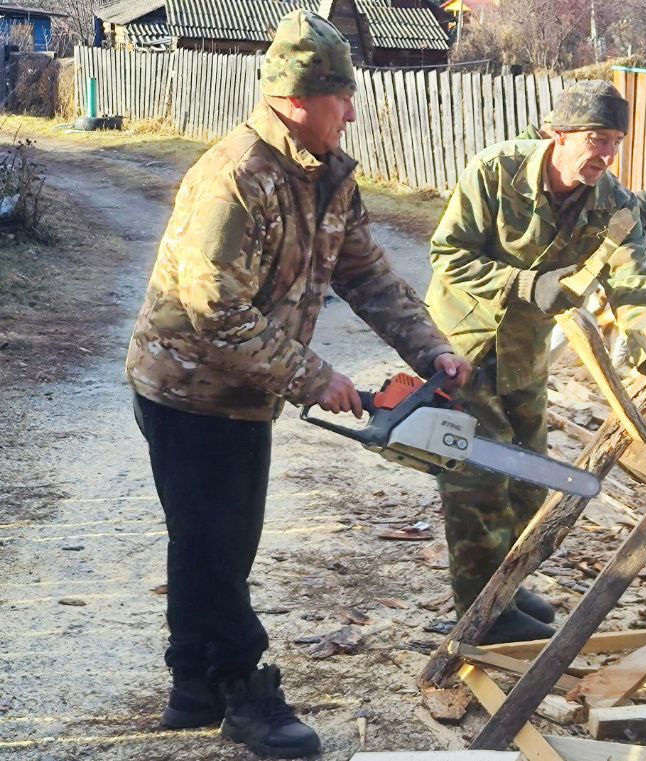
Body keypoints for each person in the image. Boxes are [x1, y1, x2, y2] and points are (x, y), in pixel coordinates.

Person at [126, 10, 468, 758]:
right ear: (295, 100)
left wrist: (432, 349)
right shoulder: (236, 177)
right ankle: (244, 692)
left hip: (243, 389)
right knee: (218, 541)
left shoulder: (325, 177)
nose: (351, 111)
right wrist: (316, 378)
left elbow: (366, 272)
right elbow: (212, 306)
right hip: (188, 387)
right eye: (340, 97)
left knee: (210, 540)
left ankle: (192, 687)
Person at [426, 80, 646, 645]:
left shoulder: (615, 205)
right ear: (556, 134)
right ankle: (481, 615)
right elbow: (447, 256)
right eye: (595, 139)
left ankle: (503, 586)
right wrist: (522, 284)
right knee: (478, 477)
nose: (606, 154)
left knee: (530, 482)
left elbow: (636, 287)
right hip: (460, 343)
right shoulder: (495, 172)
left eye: (615, 141)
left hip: (524, 350)